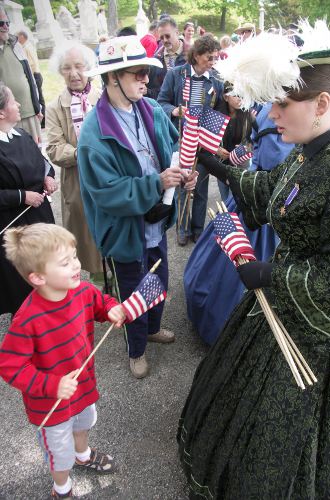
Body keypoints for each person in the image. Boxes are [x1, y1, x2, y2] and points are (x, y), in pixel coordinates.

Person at [177, 38, 330, 498]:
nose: (270, 116)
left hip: (322, 332)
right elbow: (278, 193)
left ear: (322, 103)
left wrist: (273, 276)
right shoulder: (313, 148)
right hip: (281, 307)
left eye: (283, 105)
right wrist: (222, 170)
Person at [77, 36, 197, 379]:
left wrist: (186, 173)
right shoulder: (93, 133)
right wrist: (156, 183)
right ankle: (136, 350)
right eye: (138, 73)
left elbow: (173, 146)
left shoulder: (150, 109)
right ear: (112, 77)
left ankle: (153, 328)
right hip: (126, 232)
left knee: (158, 280)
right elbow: (106, 193)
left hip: (155, 221)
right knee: (132, 293)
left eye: (147, 72)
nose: (147, 79)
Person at [0, 223, 126, 499]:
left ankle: (83, 455)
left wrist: (111, 309)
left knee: (84, 423)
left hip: (82, 386)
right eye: (65, 262)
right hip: (51, 403)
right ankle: (62, 488)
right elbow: (10, 366)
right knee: (59, 454)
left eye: (75, 257)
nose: (76, 266)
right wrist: (51, 385)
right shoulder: (27, 319)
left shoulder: (82, 291)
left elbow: (99, 303)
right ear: (38, 278)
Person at [183, 101, 294, 345]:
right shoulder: (271, 109)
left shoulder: (273, 111)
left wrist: (215, 164)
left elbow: (272, 175)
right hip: (253, 197)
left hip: (266, 204)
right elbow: (257, 154)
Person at [158, 35, 223, 245]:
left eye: (215, 58)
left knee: (201, 186)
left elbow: (221, 109)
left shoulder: (216, 80)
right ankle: (182, 229)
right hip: (181, 138)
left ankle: (198, 229)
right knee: (183, 185)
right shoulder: (176, 75)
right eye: (209, 58)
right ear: (196, 55)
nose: (213, 62)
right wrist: (176, 110)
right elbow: (161, 102)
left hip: (203, 140)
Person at [46, 42, 103, 282]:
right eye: (67, 68)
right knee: (83, 235)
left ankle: (114, 276)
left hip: (106, 175)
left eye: (79, 66)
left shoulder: (102, 98)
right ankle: (94, 282)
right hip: (77, 181)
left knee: (109, 226)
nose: (74, 73)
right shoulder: (55, 107)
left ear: (89, 68)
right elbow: (54, 147)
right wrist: (83, 153)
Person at [0, 82, 56, 316]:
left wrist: (48, 177)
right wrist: (22, 196)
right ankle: (26, 323)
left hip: (40, 216)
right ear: (1, 112)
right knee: (22, 280)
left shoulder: (21, 134)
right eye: (13, 100)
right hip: (14, 225)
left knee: (47, 268)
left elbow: (41, 163)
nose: (20, 104)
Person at [0, 7, 42, 144]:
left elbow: (30, 77)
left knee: (35, 151)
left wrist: (37, 107)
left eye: (8, 23)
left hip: (28, 112)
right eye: (1, 23)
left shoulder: (15, 45)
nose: (6, 27)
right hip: (6, 119)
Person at [146, 17, 188, 100]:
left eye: (167, 36)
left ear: (177, 32)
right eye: (161, 37)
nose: (164, 40)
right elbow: (152, 90)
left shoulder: (192, 56)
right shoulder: (155, 61)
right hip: (164, 109)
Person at [16, 30, 46, 128]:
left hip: (35, 75)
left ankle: (43, 121)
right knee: (39, 98)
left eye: (17, 36)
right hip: (36, 74)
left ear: (22, 37)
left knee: (39, 99)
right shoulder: (25, 47)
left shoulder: (26, 48)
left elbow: (31, 63)